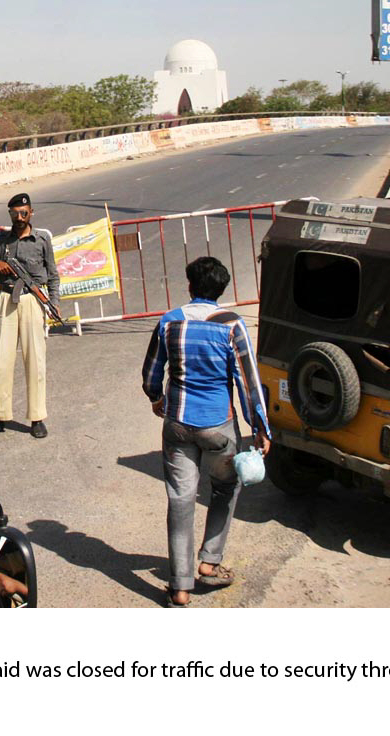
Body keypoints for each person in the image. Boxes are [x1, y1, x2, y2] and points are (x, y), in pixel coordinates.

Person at [141, 256, 271, 607]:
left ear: (190, 286)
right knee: (226, 487)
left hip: (177, 425)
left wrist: (156, 397)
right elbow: (248, 382)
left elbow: (153, 371)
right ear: (222, 290)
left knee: (180, 498)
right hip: (219, 426)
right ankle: (209, 562)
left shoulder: (170, 322)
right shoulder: (231, 325)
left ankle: (180, 587)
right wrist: (260, 427)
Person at [0, 192, 59, 440]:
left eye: (23, 213)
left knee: (35, 361)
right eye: (14, 213)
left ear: (31, 213)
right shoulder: (1, 240)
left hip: (32, 301)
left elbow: (54, 275)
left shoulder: (42, 240)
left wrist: (53, 305)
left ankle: (37, 418)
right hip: (7, 300)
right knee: (2, 363)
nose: (19, 217)